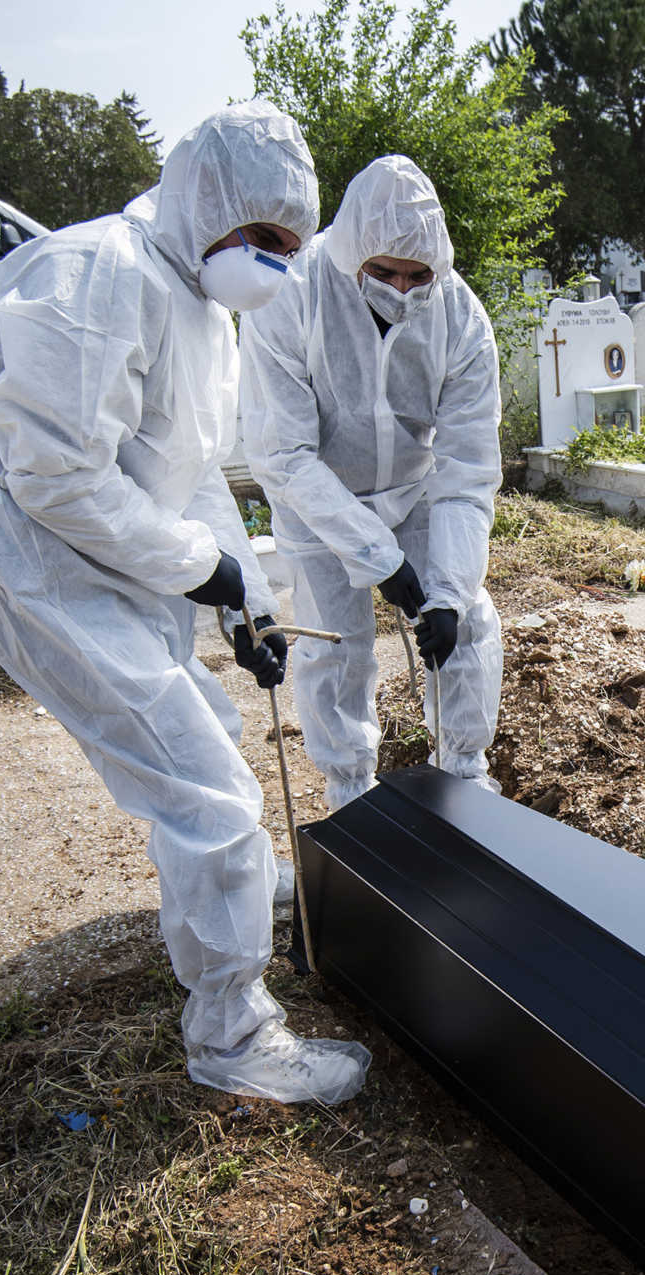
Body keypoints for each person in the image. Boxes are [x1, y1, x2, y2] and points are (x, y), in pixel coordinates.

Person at [0, 102, 371, 1107]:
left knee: (211, 739)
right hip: (48, 572)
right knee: (208, 796)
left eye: (290, 246)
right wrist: (203, 572)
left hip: (117, 564)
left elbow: (192, 477)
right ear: (206, 201)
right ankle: (231, 1036)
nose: (273, 262)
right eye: (263, 237)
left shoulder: (199, 310)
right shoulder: (97, 275)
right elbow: (54, 475)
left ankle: (226, 898)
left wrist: (247, 599)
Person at [239, 154, 503, 811]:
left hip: (412, 491)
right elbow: (286, 453)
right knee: (336, 649)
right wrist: (378, 559)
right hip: (316, 498)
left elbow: (468, 469)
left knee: (464, 623)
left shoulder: (461, 320)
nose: (401, 289)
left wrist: (445, 591)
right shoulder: (290, 298)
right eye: (383, 272)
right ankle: (351, 792)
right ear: (352, 253)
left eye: (418, 276)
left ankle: (466, 773)